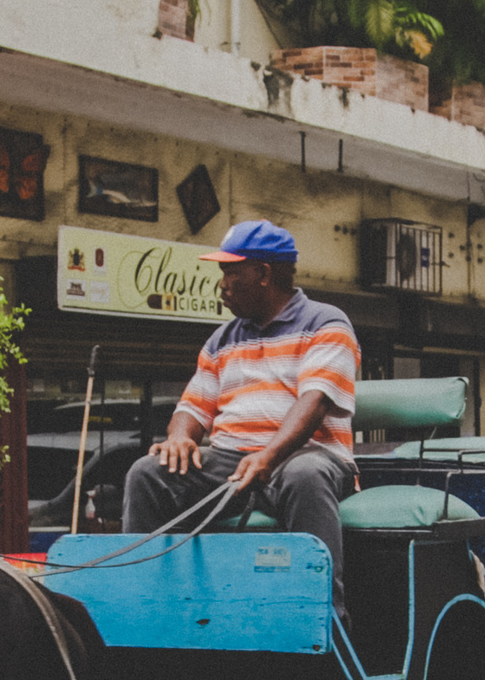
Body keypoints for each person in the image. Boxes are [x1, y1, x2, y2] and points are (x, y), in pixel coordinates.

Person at [123, 219, 359, 600]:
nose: (223, 284)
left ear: (263, 274)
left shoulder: (326, 323)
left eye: (231, 273)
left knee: (305, 474)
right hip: (231, 463)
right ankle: (147, 601)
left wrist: (267, 456)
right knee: (148, 473)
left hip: (307, 457)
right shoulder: (222, 339)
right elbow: (192, 407)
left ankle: (323, 611)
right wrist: (180, 437)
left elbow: (314, 402)